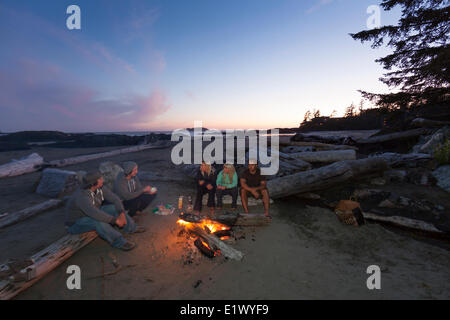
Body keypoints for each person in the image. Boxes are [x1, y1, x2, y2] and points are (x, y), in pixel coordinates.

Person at [66, 171, 145, 251]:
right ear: (94, 183)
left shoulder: (100, 188)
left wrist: (121, 213)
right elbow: (95, 214)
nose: (102, 180)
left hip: (92, 213)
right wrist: (115, 221)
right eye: (100, 179)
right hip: (76, 223)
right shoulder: (82, 197)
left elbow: (115, 199)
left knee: (113, 208)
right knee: (99, 221)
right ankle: (119, 242)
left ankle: (131, 228)